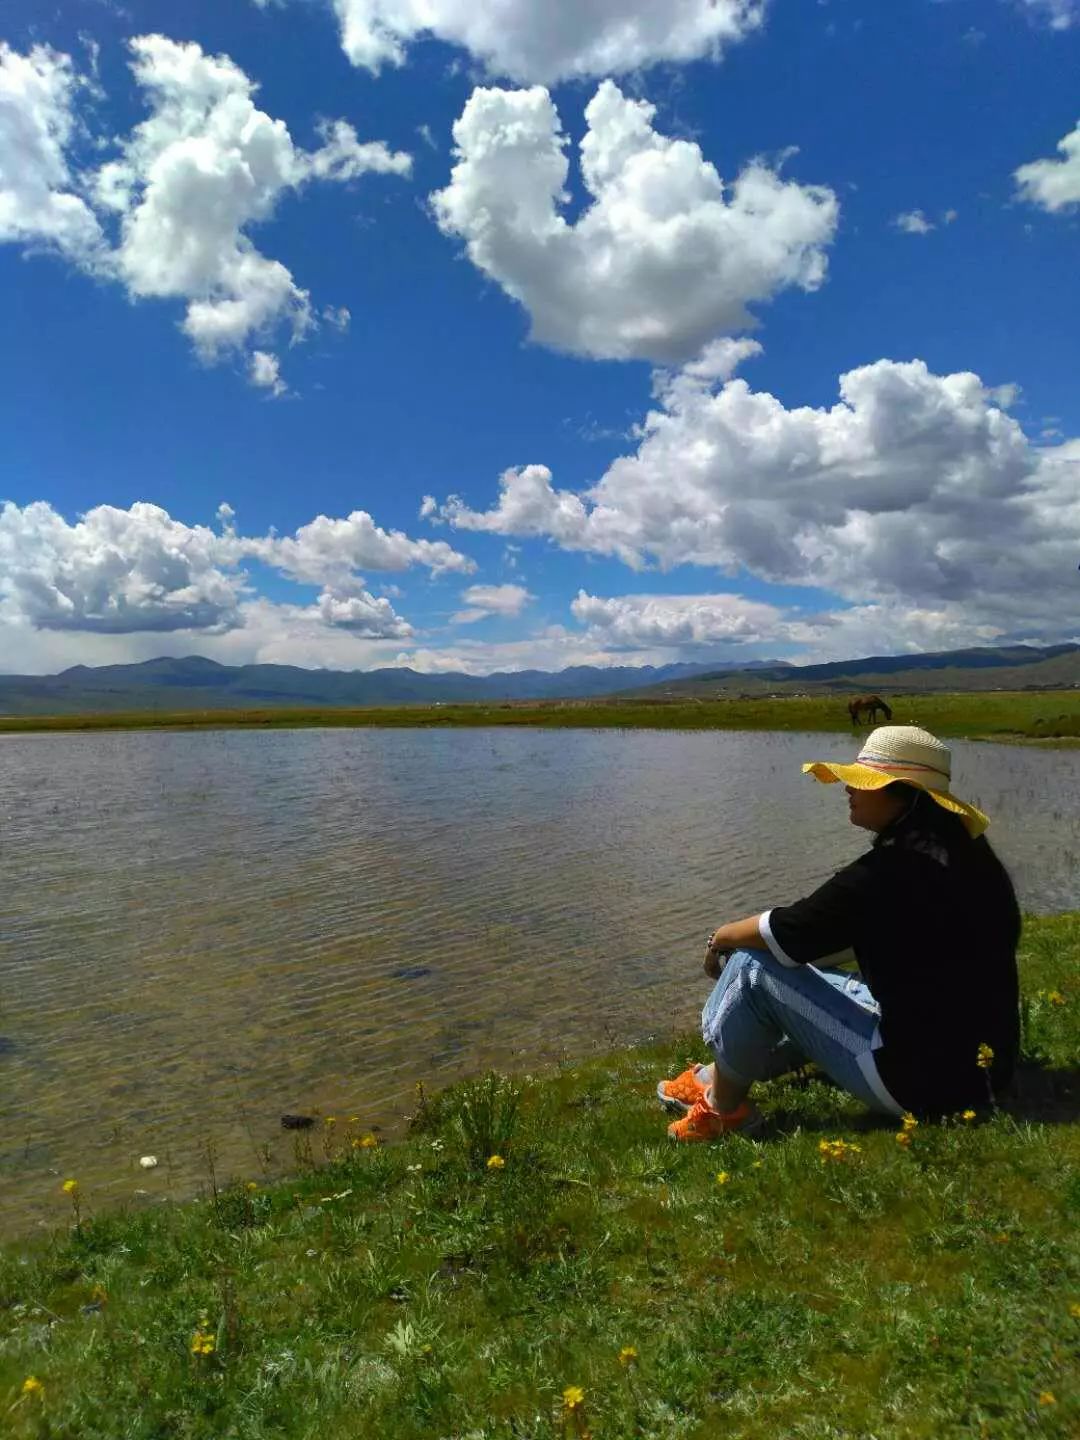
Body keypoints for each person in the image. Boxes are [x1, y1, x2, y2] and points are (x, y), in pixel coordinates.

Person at [659, 725, 1021, 1142]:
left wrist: (719, 939)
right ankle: (712, 1075)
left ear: (904, 795)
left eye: (864, 783)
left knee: (751, 967)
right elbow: (816, 937)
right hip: (986, 1065)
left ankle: (723, 1110)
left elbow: (785, 929)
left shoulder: (883, 874)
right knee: (807, 974)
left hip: (919, 1083)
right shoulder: (972, 858)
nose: (849, 788)